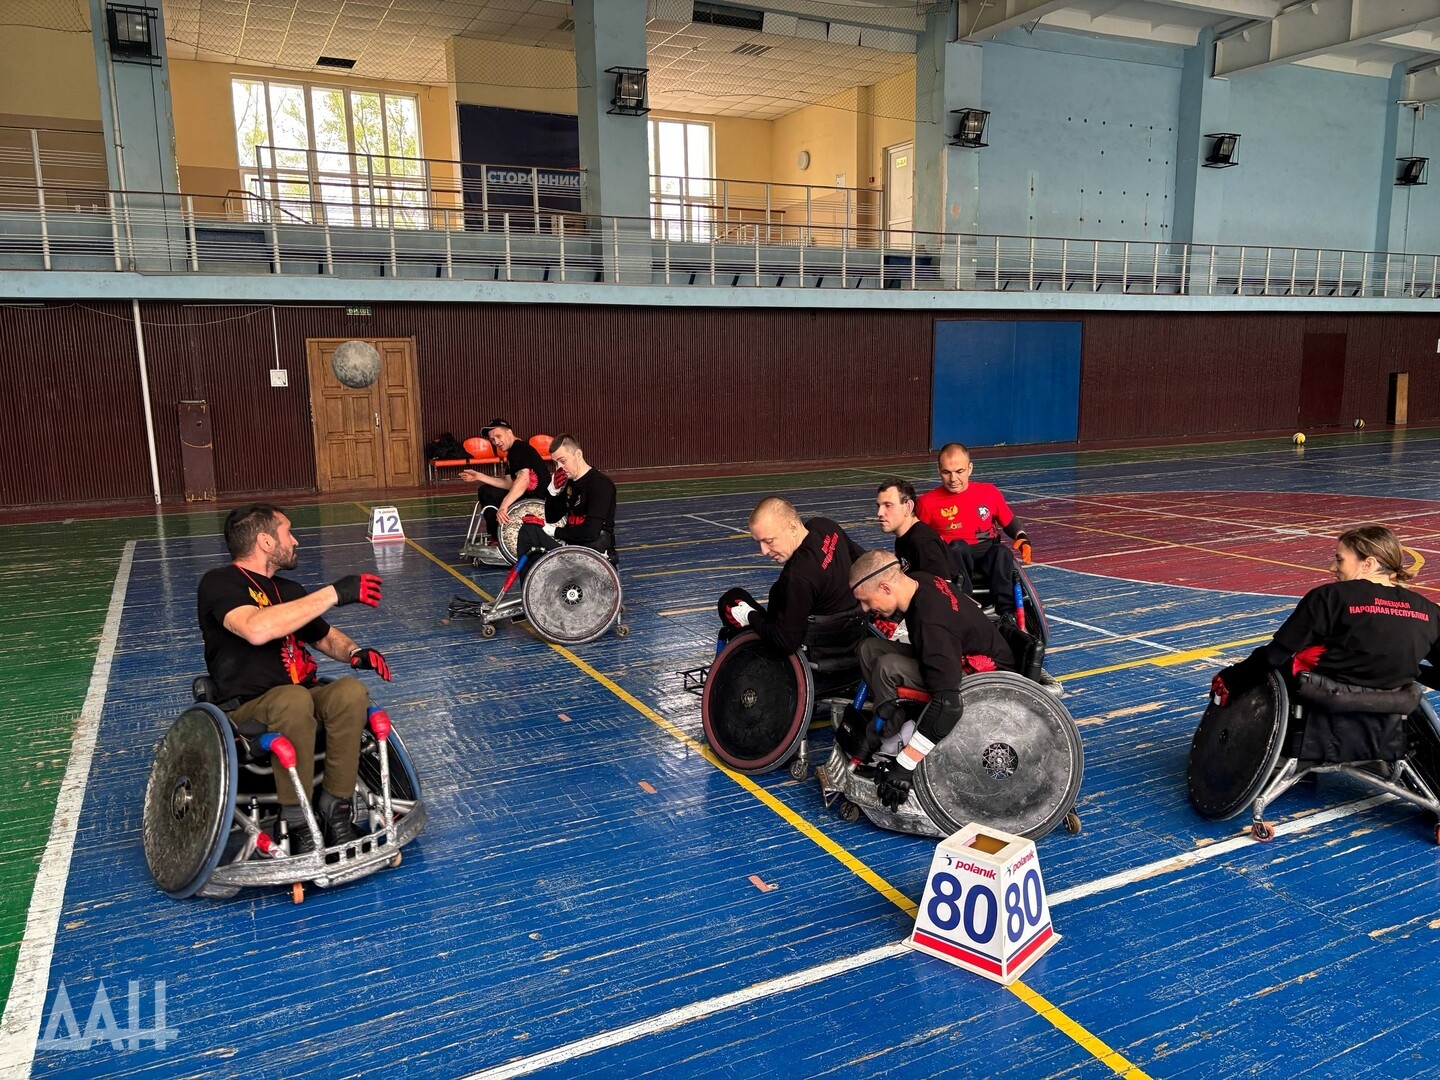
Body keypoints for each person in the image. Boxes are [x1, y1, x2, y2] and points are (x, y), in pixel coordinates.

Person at [196, 503, 392, 856]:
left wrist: (354, 652)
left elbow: (324, 637)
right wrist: (334, 593)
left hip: (301, 697)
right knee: (292, 698)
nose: (296, 541)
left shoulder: (289, 589)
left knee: (349, 691)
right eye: (288, 532)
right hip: (248, 710)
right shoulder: (220, 583)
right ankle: (297, 821)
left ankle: (336, 810)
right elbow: (255, 629)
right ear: (265, 541)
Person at [844, 551, 1015, 809]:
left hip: (983, 680)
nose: (865, 609)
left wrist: (906, 766)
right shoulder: (919, 581)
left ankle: (896, 743)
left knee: (888, 668)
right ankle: (894, 722)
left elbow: (949, 705)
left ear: (886, 587)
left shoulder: (931, 623)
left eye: (866, 601)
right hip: (961, 653)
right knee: (870, 649)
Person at [1211, 524, 1440, 711]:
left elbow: (1273, 657)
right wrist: (1411, 669)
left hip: (1322, 707)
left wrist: (1232, 677)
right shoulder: (1428, 611)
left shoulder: (1329, 597)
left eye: (1339, 559)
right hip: (1390, 716)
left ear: (1368, 563)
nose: (1332, 567)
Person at [717, 497, 865, 655]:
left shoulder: (798, 576)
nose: (764, 551)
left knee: (731, 600)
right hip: (853, 638)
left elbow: (786, 642)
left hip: (816, 652)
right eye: (759, 542)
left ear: (792, 528)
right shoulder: (825, 526)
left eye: (769, 541)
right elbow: (864, 563)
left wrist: (749, 615)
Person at [915, 443, 1031, 620]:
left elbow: (1009, 521)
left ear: (970, 469)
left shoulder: (989, 492)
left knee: (1002, 552)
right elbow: (918, 538)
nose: (953, 478)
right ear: (938, 470)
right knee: (957, 547)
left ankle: (1007, 614)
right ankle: (965, 607)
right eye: (946, 472)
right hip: (954, 558)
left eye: (959, 471)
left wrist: (1021, 536)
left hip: (987, 554)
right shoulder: (926, 503)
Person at [515, 433, 618, 565]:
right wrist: (552, 491)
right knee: (529, 529)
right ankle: (530, 578)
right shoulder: (570, 483)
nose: (559, 468)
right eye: (555, 463)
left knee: (530, 533)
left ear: (578, 455)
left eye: (563, 461)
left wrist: (553, 531)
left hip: (592, 556)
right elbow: (552, 517)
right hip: (572, 548)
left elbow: (591, 532)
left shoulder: (600, 484)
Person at [458, 418, 551, 547]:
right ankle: (496, 535)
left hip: (537, 502)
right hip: (528, 498)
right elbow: (508, 483)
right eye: (492, 439)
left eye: (498, 436)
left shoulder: (519, 449)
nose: (496, 442)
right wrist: (479, 476)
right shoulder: (512, 452)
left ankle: (498, 537)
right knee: (486, 490)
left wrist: (504, 506)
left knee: (487, 492)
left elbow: (523, 480)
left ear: (509, 432)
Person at [874, 477, 965, 589]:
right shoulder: (904, 537)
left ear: (908, 507)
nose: (879, 513)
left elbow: (942, 591)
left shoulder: (923, 542)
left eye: (888, 505)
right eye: (878, 506)